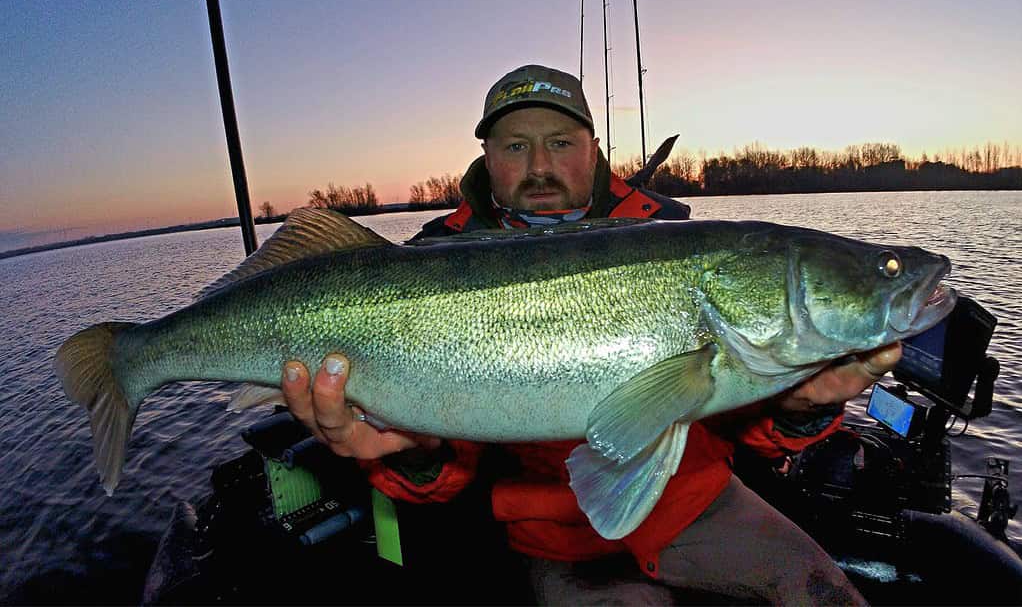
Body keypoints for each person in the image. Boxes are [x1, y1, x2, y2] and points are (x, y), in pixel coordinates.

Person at [280, 65, 902, 604]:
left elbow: (753, 429)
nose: (541, 166)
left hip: (698, 501)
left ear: (594, 148)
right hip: (552, 534)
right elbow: (444, 468)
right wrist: (413, 449)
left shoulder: (677, 241)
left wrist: (796, 411)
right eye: (515, 146)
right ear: (486, 158)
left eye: (559, 141)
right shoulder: (425, 264)